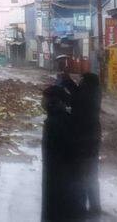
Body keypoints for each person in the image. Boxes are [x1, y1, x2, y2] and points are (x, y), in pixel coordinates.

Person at [59, 71, 102, 216]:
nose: (80, 82)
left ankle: (82, 207)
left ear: (87, 82)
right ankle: (94, 206)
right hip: (91, 138)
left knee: (82, 174)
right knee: (90, 174)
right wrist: (68, 81)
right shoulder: (92, 91)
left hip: (85, 139)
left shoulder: (89, 94)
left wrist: (65, 85)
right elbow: (77, 95)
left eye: (82, 80)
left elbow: (75, 100)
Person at [41, 85, 82, 221]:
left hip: (59, 179)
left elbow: (64, 151)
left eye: (45, 99)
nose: (43, 102)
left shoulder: (55, 122)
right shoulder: (63, 118)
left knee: (57, 211)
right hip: (61, 178)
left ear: (55, 101)